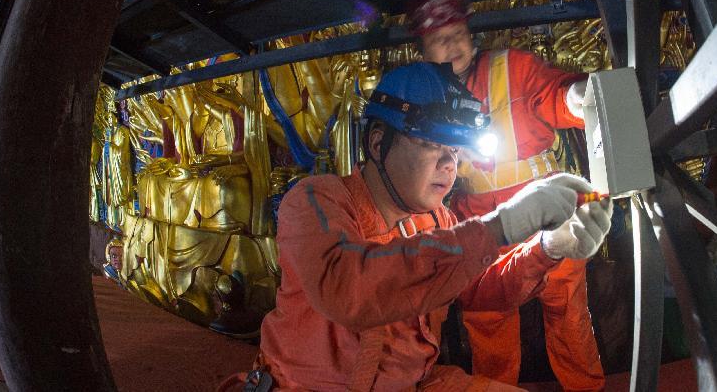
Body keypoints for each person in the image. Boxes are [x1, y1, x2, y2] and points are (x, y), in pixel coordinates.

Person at [234, 62, 611, 391]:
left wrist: (547, 247)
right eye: (433, 145)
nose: (449, 164)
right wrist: (500, 226)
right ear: (379, 143)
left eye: (457, 152)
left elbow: (479, 290)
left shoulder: (436, 220)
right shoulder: (316, 200)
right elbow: (347, 287)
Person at [406, 0, 604, 390]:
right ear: (423, 49)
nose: (453, 44)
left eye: (458, 33)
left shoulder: (509, 68)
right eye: (440, 39)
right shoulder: (422, 99)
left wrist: (576, 97)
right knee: (488, 317)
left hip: (544, 201)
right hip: (479, 216)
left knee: (567, 310)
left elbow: (551, 93)